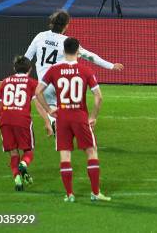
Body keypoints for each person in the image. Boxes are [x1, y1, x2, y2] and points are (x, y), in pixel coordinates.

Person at [35, 37, 110, 202]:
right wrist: (93, 116)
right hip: (79, 116)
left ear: (63, 51)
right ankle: (95, 193)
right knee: (91, 152)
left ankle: (69, 194)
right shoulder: (86, 70)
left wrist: (49, 110)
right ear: (78, 51)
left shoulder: (54, 70)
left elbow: (38, 92)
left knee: (65, 155)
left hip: (61, 118)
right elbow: (99, 98)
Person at [24, 10, 124, 131]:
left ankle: (54, 121)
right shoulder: (67, 42)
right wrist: (111, 65)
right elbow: (90, 56)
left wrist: (21, 77)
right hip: (62, 82)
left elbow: (27, 58)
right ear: (66, 25)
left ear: (52, 23)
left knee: (48, 105)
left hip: (44, 83)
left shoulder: (40, 36)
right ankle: (75, 127)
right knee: (70, 109)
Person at [0, 56, 53, 191]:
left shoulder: (4, 82)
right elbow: (38, 105)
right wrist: (47, 123)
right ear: (30, 69)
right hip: (22, 120)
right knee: (28, 151)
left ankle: (17, 179)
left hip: (5, 120)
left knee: (13, 153)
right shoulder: (32, 83)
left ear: (14, 68)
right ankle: (24, 165)